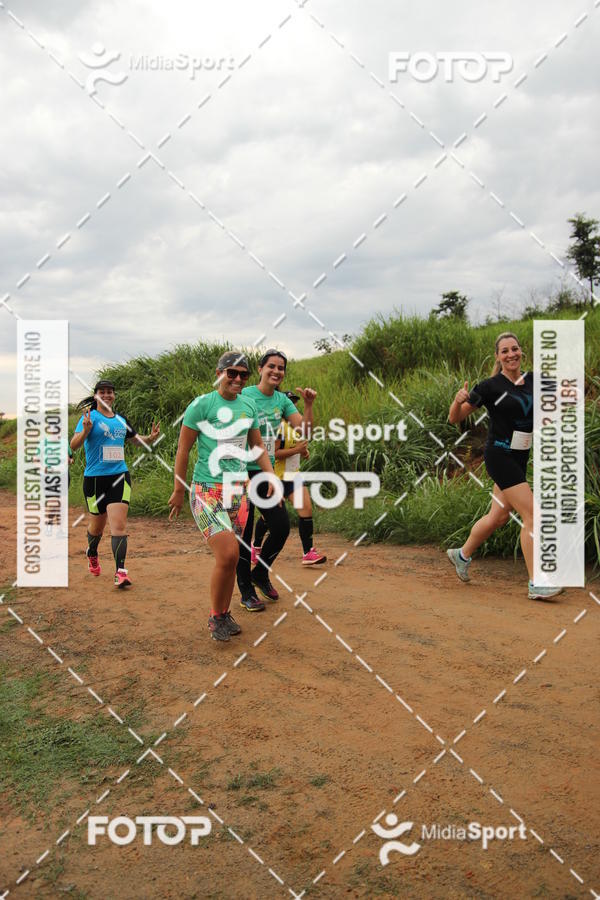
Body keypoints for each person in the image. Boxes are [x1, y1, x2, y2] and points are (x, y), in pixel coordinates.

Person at [168, 352, 277, 641]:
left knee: (232, 558)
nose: (239, 379)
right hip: (206, 489)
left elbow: (258, 449)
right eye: (232, 373)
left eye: (244, 374)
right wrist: (179, 489)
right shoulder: (202, 405)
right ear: (219, 373)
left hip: (237, 490)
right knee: (227, 553)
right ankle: (215, 617)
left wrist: (270, 477)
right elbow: (183, 450)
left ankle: (223, 613)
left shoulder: (248, 406)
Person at [446, 332, 562, 601]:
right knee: (533, 515)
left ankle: (461, 555)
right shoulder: (488, 387)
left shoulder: (534, 380)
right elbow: (455, 418)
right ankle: (537, 583)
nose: (511, 354)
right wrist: (457, 399)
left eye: (515, 349)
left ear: (521, 351)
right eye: (505, 351)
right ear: (498, 356)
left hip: (521, 455)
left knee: (497, 517)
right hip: (499, 455)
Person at [237, 349, 318, 607]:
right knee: (244, 532)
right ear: (260, 369)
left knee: (281, 526)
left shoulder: (283, 400)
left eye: (281, 368)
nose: (276, 371)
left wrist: (307, 405)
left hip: (265, 472)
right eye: (271, 366)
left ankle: (260, 572)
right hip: (241, 471)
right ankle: (246, 591)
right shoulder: (244, 394)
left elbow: (304, 431)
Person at [71, 379, 160, 588]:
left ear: (114, 395)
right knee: (97, 527)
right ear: (96, 396)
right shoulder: (89, 418)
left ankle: (120, 571)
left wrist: (151, 438)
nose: (107, 395)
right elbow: (73, 445)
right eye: (102, 392)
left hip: (119, 476)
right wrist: (85, 431)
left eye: (110, 392)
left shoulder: (121, 420)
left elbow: (136, 440)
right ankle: (92, 552)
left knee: (118, 526)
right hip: (94, 480)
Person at [252, 390, 327, 566]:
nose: (292, 404)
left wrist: (303, 452)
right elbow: (274, 453)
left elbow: (295, 447)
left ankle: (308, 553)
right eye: (289, 401)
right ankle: (256, 548)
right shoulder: (276, 427)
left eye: (294, 402)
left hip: (294, 476)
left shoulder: (294, 427)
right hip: (277, 478)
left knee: (306, 511)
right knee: (268, 519)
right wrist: (297, 450)